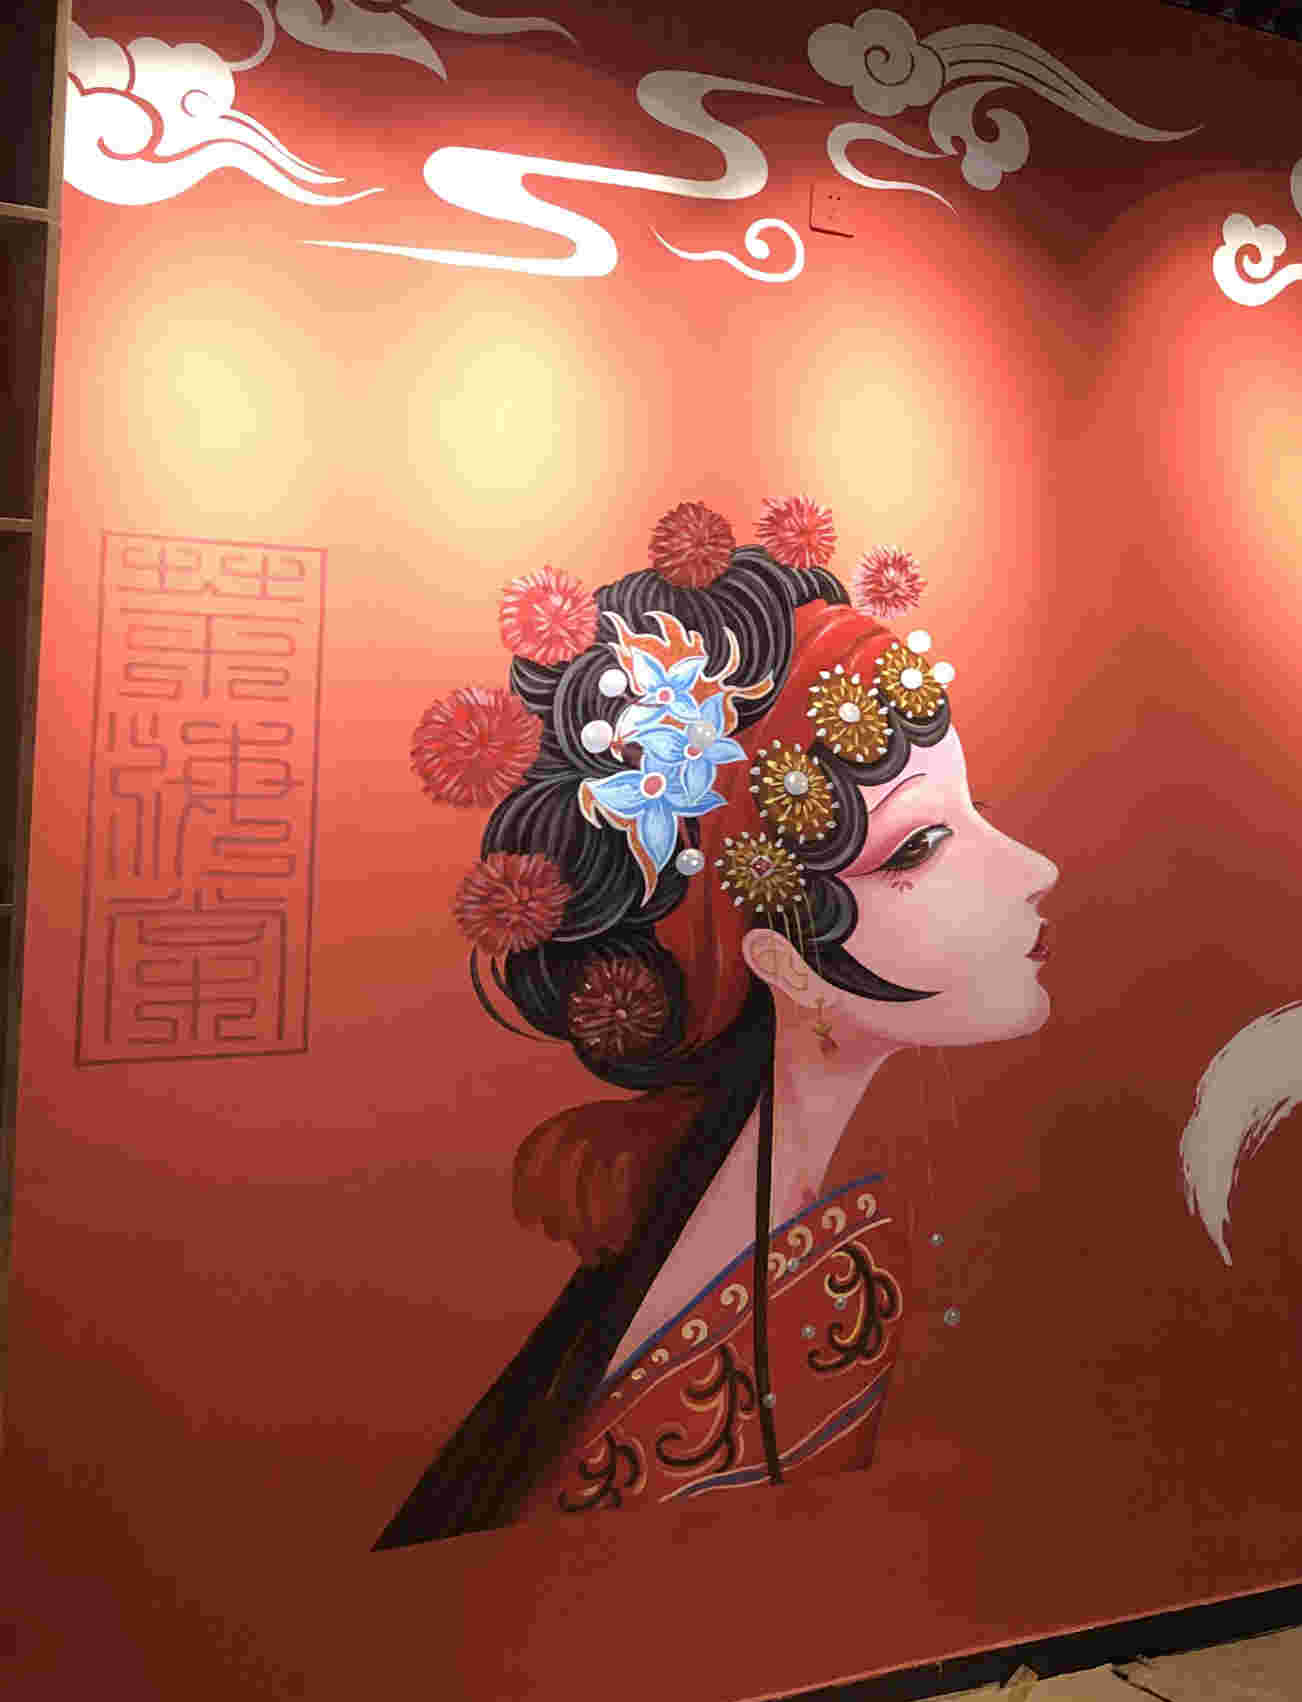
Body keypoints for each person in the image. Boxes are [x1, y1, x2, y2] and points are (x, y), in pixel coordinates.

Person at [373, 496, 1056, 1548]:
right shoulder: (676, 1391)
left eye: (973, 818)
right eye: (921, 846)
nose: (1032, 870)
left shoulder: (811, 1259)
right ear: (776, 958)